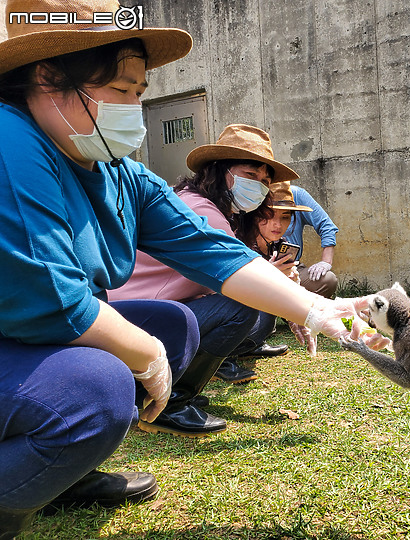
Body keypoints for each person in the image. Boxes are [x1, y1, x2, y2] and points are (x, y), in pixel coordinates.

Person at [0, 1, 387, 537]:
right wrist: (143, 351)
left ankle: (62, 473)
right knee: (99, 389)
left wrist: (317, 308)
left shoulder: (116, 172)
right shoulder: (9, 142)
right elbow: (51, 297)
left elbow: (208, 249)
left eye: (140, 93)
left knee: (174, 326)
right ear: (47, 77)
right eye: (120, 90)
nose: (133, 109)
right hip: (24, 330)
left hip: (25, 336)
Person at [109, 124, 303, 437]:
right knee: (240, 305)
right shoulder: (203, 213)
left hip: (145, 312)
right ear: (219, 171)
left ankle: (165, 391)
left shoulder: (207, 206)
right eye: (250, 175)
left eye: (265, 181)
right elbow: (237, 276)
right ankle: (165, 402)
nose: (259, 186)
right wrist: (304, 311)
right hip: (134, 318)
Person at [235, 180, 320, 355]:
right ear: (254, 214)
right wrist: (268, 275)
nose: (278, 225)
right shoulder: (237, 240)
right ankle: (227, 357)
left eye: (285, 217)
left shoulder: (280, 245)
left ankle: (250, 345)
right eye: (269, 215)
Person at [284, 185, 339, 298]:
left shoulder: (294, 194)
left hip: (291, 267)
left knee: (328, 279)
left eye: (285, 217)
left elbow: (326, 225)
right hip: (255, 269)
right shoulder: (247, 200)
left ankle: (298, 311)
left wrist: (326, 262)